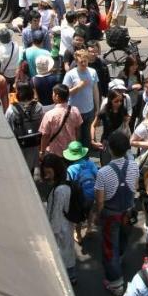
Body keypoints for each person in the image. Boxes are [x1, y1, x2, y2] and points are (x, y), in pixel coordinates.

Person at [95, 130, 140, 295]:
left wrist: (99, 215)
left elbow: (100, 200)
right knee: (123, 238)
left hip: (111, 214)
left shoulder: (103, 172)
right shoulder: (134, 166)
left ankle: (116, 282)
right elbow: (134, 188)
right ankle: (119, 258)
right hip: (127, 211)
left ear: (110, 149)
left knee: (109, 246)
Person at [40, 153, 78, 283]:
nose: (47, 176)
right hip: (67, 224)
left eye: (49, 172)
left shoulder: (60, 190)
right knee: (68, 252)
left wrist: (50, 233)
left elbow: (56, 215)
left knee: (62, 255)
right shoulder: (66, 178)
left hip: (60, 228)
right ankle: (71, 276)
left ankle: (68, 279)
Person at [62, 48, 100, 147]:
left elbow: (95, 90)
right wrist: (78, 87)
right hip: (75, 111)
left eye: (85, 61)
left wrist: (97, 107)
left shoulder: (92, 72)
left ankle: (86, 155)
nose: (83, 64)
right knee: (75, 137)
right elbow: (65, 93)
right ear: (76, 61)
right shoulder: (70, 74)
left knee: (87, 135)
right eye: (80, 62)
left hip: (89, 110)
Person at [65, 140, 99, 242]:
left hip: (79, 197)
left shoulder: (70, 169)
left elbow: (69, 184)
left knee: (78, 216)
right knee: (90, 211)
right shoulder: (90, 163)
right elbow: (97, 175)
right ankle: (89, 228)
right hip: (92, 193)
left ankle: (78, 235)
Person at [38, 84, 82, 162]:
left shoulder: (49, 115)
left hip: (56, 153)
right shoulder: (75, 110)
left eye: (53, 94)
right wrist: (76, 143)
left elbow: (45, 136)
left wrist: (42, 151)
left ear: (57, 96)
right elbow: (78, 130)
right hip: (72, 151)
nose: (52, 95)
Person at [6, 82, 44, 154]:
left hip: (19, 146)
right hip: (36, 144)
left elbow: (8, 128)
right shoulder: (39, 107)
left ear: (18, 94)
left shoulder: (11, 110)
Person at [93, 78, 130, 150]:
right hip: (107, 141)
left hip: (120, 140)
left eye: (121, 90)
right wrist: (92, 140)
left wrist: (125, 129)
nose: (119, 103)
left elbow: (127, 117)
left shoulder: (124, 104)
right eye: (118, 90)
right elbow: (95, 124)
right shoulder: (104, 107)